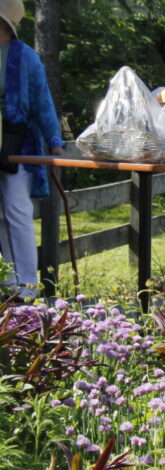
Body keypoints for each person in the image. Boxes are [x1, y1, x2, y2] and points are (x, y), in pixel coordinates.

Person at [0, 0, 63, 299]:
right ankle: (10, 282)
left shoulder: (26, 57)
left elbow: (42, 102)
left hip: (17, 140)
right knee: (0, 215)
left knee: (16, 210)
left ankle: (28, 286)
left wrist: (55, 140)